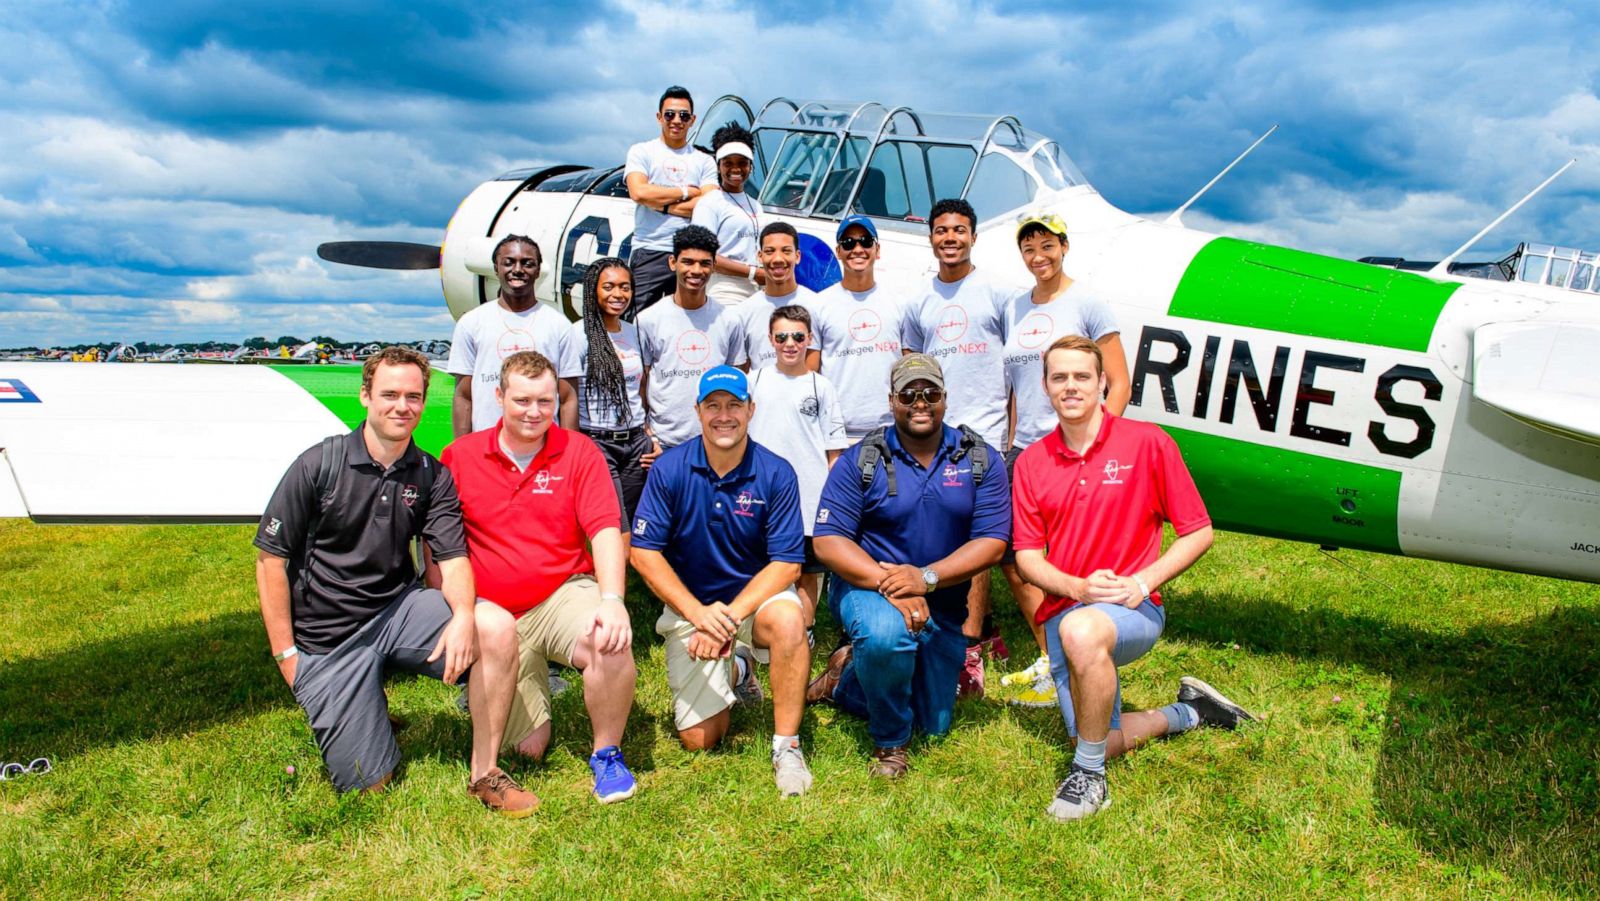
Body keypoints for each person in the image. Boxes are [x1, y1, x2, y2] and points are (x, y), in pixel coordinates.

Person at [254, 347, 534, 815]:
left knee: (496, 626)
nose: (401, 406)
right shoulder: (318, 465)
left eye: (413, 396)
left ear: (424, 403)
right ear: (365, 396)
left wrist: (464, 615)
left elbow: (453, 556)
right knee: (369, 785)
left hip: (397, 611)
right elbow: (269, 561)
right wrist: (287, 655)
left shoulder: (430, 474)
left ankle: (485, 772)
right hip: (330, 639)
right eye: (389, 394)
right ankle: (364, 708)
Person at [1012, 335, 1256, 821]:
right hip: (1067, 609)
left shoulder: (1148, 443)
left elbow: (1198, 532)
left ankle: (1089, 779)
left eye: (1083, 376)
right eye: (1059, 377)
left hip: (1132, 611)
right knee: (1102, 735)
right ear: (1045, 387)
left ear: (1103, 382)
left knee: (1081, 636)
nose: (1071, 386)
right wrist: (1077, 588)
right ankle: (1192, 712)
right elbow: (1026, 558)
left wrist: (1141, 584)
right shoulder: (1031, 462)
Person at [441, 351, 640, 804]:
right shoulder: (461, 456)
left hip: (559, 595)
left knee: (608, 636)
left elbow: (606, 530)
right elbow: (439, 545)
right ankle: (500, 684)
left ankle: (607, 754)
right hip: (493, 611)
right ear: (499, 397)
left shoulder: (579, 451)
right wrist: (458, 611)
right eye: (523, 400)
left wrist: (612, 599)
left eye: (545, 402)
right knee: (526, 750)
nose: (534, 413)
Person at [807, 354, 1009, 778]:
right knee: (886, 637)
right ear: (892, 400)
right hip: (867, 587)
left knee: (934, 725)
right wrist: (892, 583)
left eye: (930, 393)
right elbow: (828, 541)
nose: (921, 402)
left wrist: (925, 578)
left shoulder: (979, 458)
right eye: (909, 394)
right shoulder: (861, 458)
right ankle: (890, 742)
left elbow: (992, 543)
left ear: (945, 399)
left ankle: (847, 679)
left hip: (942, 599)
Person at [629, 366, 815, 797]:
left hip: (754, 603)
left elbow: (787, 565)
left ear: (751, 410)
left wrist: (726, 620)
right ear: (698, 411)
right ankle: (739, 668)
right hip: (692, 608)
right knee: (700, 741)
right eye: (713, 405)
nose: (723, 415)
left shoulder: (776, 471)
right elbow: (643, 552)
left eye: (734, 405)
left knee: (791, 622)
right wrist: (698, 615)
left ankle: (787, 746)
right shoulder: (671, 468)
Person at [999, 211, 1131, 709]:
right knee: (1015, 557)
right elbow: (1015, 386)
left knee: (1074, 554)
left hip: (1078, 448)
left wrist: (1101, 446)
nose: (1039, 255)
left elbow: (1117, 381)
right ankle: (1051, 654)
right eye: (1029, 247)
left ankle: (1088, 646)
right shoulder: (1016, 306)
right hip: (1025, 450)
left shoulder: (1088, 301)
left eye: (1047, 245)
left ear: (1065, 246)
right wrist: (1012, 441)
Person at [900, 198, 1012, 698]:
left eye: (960, 230)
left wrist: (1006, 432)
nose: (951, 238)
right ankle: (942, 622)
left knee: (978, 535)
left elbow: (1015, 367)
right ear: (931, 237)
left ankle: (970, 646)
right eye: (942, 230)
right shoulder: (918, 301)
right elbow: (908, 370)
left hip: (984, 431)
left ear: (974, 236)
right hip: (931, 433)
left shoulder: (998, 294)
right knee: (935, 526)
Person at [747, 305, 848, 625]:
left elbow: (835, 451)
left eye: (797, 336)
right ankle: (758, 627)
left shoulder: (822, 386)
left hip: (809, 495)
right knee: (761, 563)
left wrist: (834, 496)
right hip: (761, 492)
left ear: (809, 339)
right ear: (770, 339)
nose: (789, 343)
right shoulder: (754, 380)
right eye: (781, 336)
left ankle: (804, 629)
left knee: (806, 570)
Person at [447, 235, 582, 436]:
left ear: (538, 271)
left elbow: (568, 397)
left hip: (542, 446)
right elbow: (464, 395)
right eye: (508, 263)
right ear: (496, 268)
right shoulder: (471, 322)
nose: (517, 270)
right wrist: (461, 449)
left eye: (527, 264)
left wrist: (569, 452)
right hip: (486, 445)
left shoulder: (559, 325)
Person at [636, 225, 743, 450]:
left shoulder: (729, 319)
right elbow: (641, 383)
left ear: (714, 266)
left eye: (705, 263)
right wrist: (649, 435)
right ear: (672, 263)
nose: (696, 270)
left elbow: (738, 378)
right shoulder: (648, 319)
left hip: (715, 443)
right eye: (688, 262)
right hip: (663, 444)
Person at [572, 257, 653, 530]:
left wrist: (648, 433)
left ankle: (624, 569)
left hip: (635, 443)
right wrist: (573, 447)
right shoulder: (578, 335)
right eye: (609, 287)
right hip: (597, 442)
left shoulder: (634, 332)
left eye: (625, 287)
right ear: (593, 289)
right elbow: (567, 396)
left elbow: (640, 388)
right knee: (616, 524)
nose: (618, 294)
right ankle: (613, 572)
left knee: (635, 518)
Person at [625, 86, 719, 316]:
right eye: (670, 114)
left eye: (684, 116)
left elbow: (709, 203)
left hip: (689, 254)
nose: (677, 120)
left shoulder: (704, 161)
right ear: (659, 117)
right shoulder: (642, 151)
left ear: (692, 120)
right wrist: (686, 191)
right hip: (650, 248)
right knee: (637, 319)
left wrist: (660, 204)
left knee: (687, 318)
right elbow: (638, 192)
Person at [811, 214, 903, 443]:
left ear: (877, 249)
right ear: (838, 251)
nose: (858, 248)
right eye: (849, 243)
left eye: (866, 241)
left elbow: (909, 366)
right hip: (837, 434)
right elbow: (811, 374)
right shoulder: (818, 305)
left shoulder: (900, 303)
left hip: (893, 431)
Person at [691, 123, 764, 306]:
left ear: (750, 165)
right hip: (724, 289)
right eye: (728, 163)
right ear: (718, 166)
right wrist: (752, 272)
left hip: (755, 290)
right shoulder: (709, 203)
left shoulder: (755, 205)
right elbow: (703, 255)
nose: (736, 169)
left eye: (742, 163)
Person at [731, 223, 819, 372]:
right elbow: (742, 373)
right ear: (760, 256)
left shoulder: (817, 305)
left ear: (797, 256)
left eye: (786, 251)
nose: (778, 258)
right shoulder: (742, 313)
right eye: (770, 251)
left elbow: (815, 370)